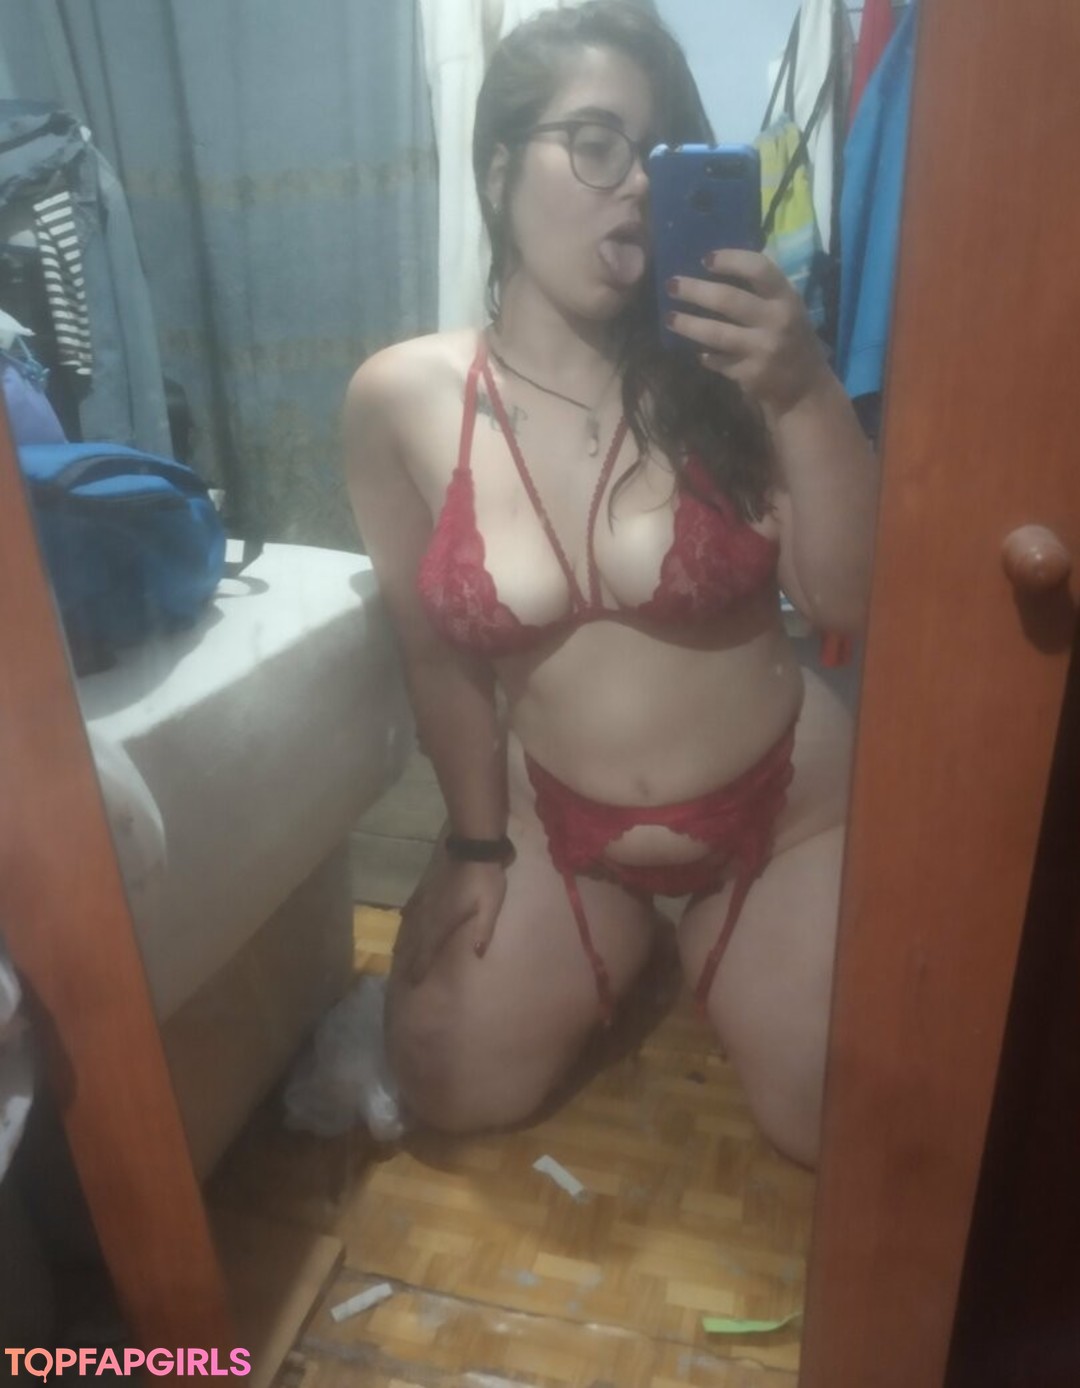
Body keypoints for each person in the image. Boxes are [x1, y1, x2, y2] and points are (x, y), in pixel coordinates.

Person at [344, 1, 877, 1167]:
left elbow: (847, 603)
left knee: (842, 1114)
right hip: (559, 820)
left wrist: (801, 388)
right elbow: (434, 654)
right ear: (499, 171)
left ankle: (723, 940)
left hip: (785, 809)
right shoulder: (399, 401)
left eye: (658, 153)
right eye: (595, 143)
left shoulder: (735, 366)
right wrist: (477, 843)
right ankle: (629, 935)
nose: (633, 184)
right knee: (445, 1074)